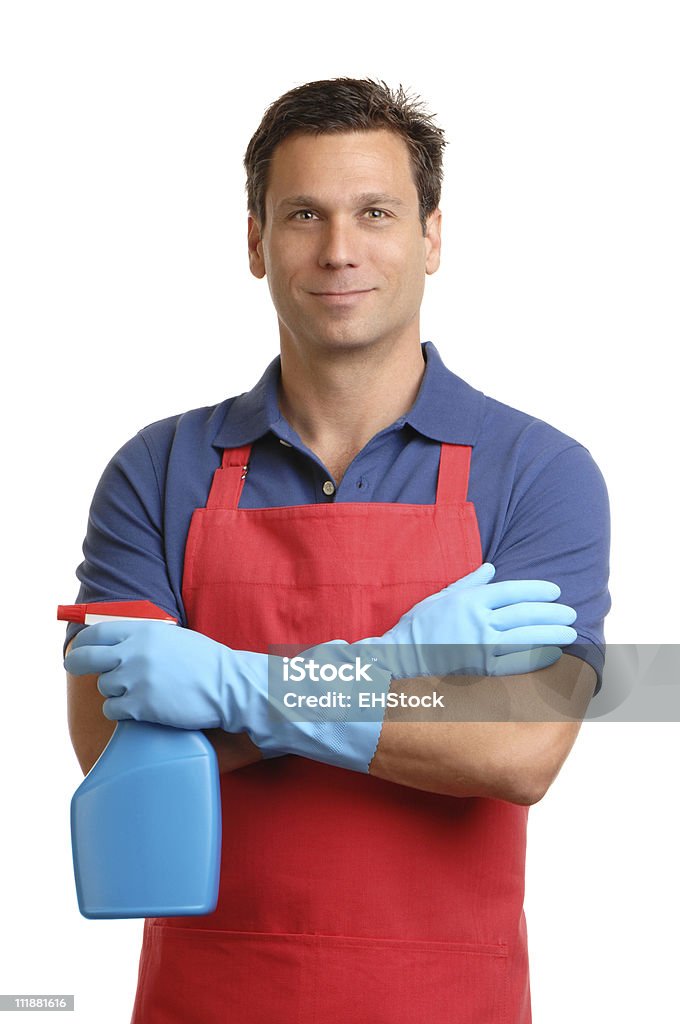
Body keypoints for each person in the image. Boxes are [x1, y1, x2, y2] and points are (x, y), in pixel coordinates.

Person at [64, 78, 610, 1023]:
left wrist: (234, 688)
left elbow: (519, 748)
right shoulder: (156, 470)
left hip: (446, 999)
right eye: (304, 213)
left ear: (432, 237)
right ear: (255, 240)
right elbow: (108, 747)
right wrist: (400, 669)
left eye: (376, 213)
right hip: (211, 997)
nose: (339, 249)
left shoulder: (539, 471)